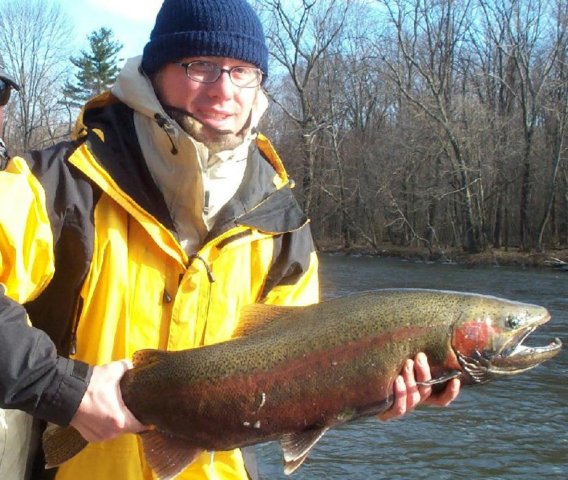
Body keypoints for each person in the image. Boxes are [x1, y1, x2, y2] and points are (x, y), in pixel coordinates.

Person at [0, 0, 460, 479]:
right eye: (201, 66)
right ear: (156, 70)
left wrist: (371, 388)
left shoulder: (283, 223)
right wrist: (61, 388)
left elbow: (300, 385)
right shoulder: (56, 185)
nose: (224, 90)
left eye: (242, 71)